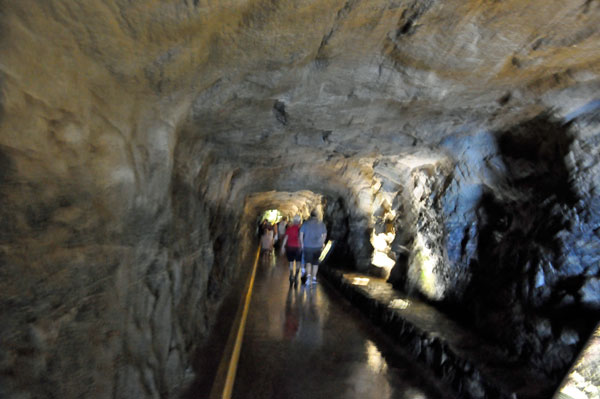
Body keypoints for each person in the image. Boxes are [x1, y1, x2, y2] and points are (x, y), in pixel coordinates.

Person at [299, 210, 327, 285]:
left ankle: (308, 278)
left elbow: (301, 234)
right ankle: (314, 278)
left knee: (308, 262)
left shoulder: (306, 223)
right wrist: (322, 242)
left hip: (307, 246)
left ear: (310, 215)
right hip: (318, 247)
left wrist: (302, 244)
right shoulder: (322, 224)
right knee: (315, 263)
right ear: (317, 215)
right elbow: (324, 235)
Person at [281, 215, 302, 285]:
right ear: (299, 221)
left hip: (290, 247)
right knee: (298, 262)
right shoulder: (301, 229)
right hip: (298, 248)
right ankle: (296, 276)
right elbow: (302, 239)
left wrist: (283, 247)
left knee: (291, 262)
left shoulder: (289, 228)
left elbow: (286, 238)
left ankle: (291, 275)